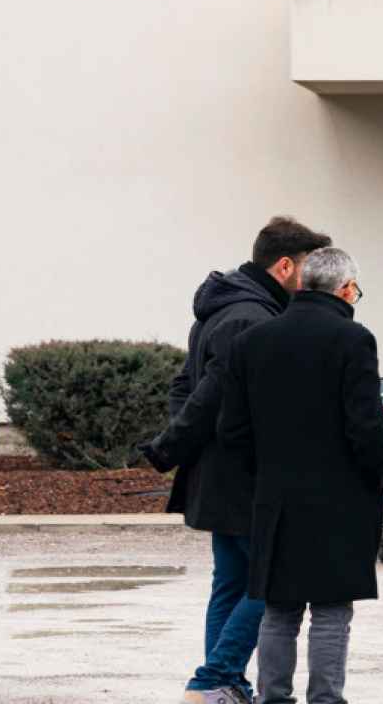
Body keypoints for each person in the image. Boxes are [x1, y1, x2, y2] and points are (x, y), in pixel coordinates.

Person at [141, 216, 332, 704]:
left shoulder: (224, 309)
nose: (312, 280)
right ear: (286, 265)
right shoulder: (253, 319)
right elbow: (213, 394)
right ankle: (214, 678)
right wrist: (180, 444)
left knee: (230, 583)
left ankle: (225, 686)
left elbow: (185, 388)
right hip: (246, 475)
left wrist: (189, 443)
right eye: (308, 268)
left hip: (218, 471)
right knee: (266, 584)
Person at [218, 247, 383, 704]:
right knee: (332, 610)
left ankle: (272, 697)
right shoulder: (353, 339)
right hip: (341, 497)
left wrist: (266, 472)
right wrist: (379, 473)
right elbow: (366, 427)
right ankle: (325, 699)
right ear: (347, 289)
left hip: (275, 496)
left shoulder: (253, 341)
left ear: (299, 284)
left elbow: (231, 429)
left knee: (279, 610)